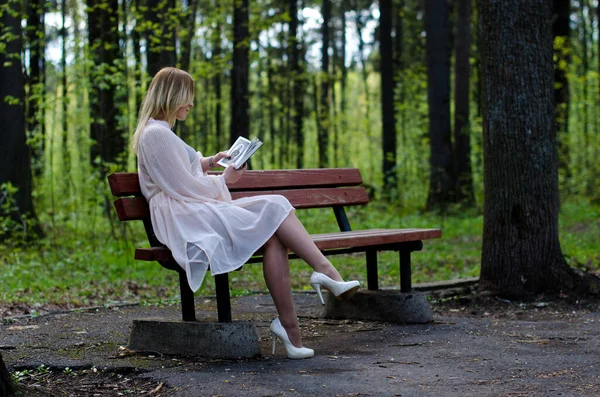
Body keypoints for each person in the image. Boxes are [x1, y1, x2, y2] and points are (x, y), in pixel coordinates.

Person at [132, 67, 360, 359]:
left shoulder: (160, 132)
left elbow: (180, 168)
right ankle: (325, 272)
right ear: (172, 95)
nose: (191, 103)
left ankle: (291, 331)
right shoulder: (155, 134)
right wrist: (223, 180)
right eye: (188, 97)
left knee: (274, 235)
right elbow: (181, 186)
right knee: (275, 204)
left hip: (190, 208)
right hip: (182, 215)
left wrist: (209, 161)